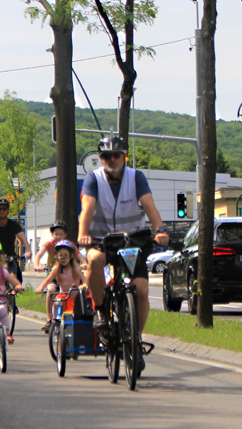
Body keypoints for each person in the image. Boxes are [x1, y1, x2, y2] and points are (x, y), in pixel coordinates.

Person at [78, 137, 169, 372]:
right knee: (95, 261)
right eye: (106, 156)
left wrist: (159, 230)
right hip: (101, 240)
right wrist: (83, 234)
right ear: (100, 159)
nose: (112, 160)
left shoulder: (135, 177)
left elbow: (149, 205)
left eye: (116, 155)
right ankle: (100, 310)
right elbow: (87, 208)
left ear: (124, 156)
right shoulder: (93, 179)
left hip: (132, 241)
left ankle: (135, 340)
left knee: (141, 290)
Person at [36, 240, 86, 332]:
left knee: (72, 312)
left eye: (65, 255)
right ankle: (56, 323)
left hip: (74, 296)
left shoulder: (75, 268)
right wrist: (41, 287)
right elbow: (48, 280)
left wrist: (84, 285)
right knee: (56, 303)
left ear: (71, 256)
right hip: (62, 295)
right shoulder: (56, 269)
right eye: (60, 256)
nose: (63, 258)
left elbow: (84, 280)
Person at [0, 198, 31, 285]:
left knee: (13, 278)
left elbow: (23, 238)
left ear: (8, 210)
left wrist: (28, 250)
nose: (2, 211)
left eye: (4, 208)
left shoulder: (13, 225)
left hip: (10, 257)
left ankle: (11, 295)